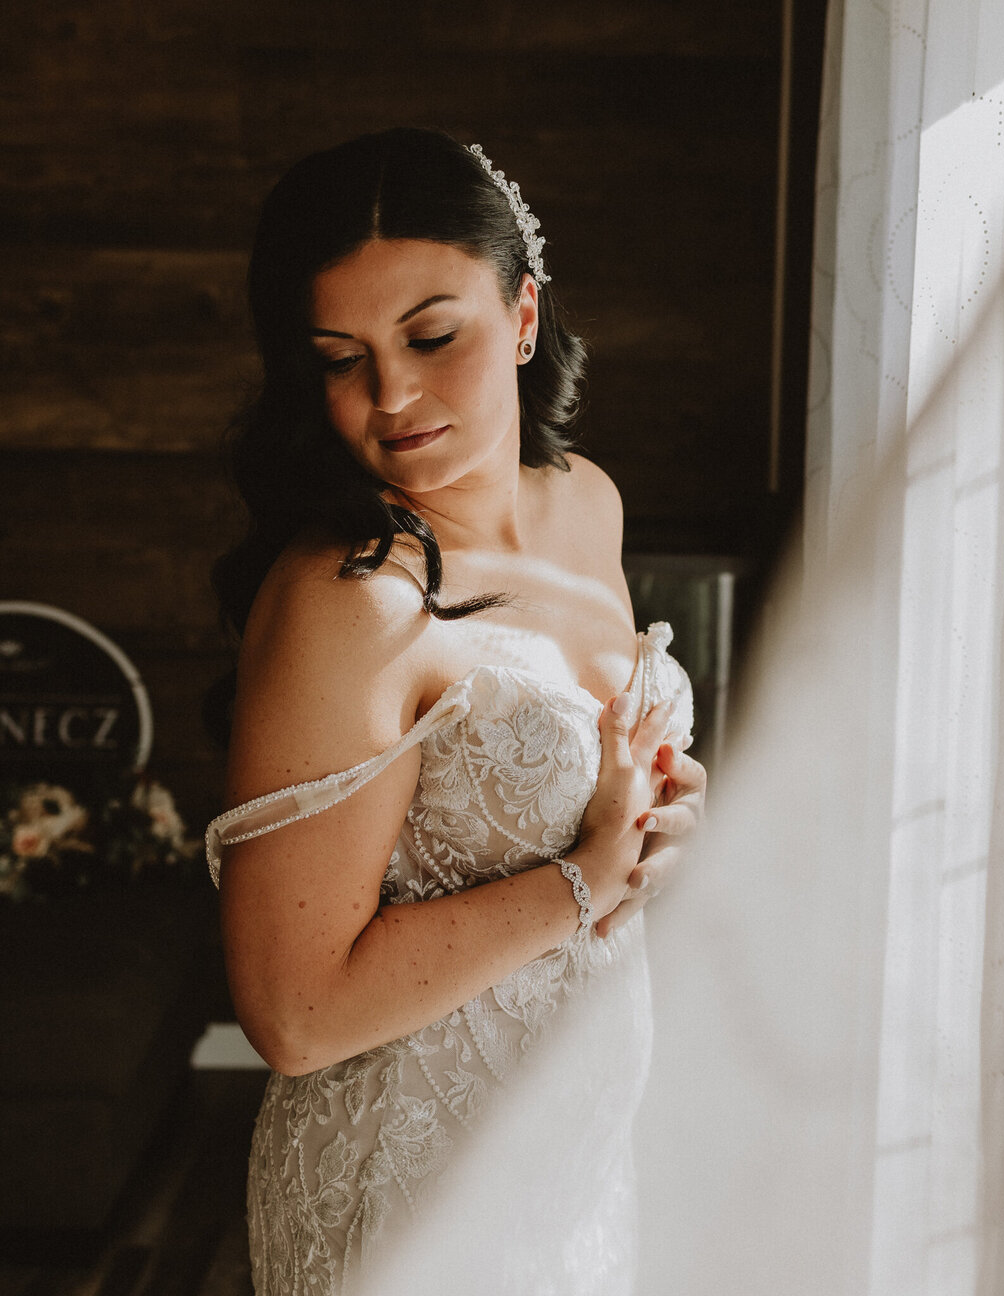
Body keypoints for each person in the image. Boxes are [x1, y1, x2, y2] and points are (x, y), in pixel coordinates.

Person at [204, 127, 704, 1296]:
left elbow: (594, 780)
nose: (392, 396)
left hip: (574, 1147)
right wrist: (588, 878)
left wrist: (666, 819)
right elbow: (297, 1014)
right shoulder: (354, 601)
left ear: (524, 315)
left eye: (434, 336)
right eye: (340, 358)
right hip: (414, 1183)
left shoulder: (587, 505)